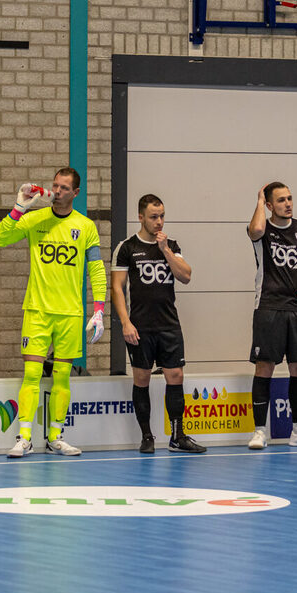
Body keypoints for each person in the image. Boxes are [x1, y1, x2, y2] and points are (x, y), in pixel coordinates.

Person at [0, 167, 107, 458]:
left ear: (76, 193)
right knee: (31, 374)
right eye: (55, 185)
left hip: (70, 313)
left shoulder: (86, 226)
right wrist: (18, 208)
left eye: (64, 188)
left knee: (62, 377)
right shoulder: (36, 218)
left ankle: (56, 437)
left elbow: (96, 269)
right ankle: (25, 438)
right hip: (37, 310)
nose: (57, 191)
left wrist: (99, 310)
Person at [111, 194, 205, 454]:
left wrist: (165, 251)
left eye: (162, 216)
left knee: (176, 376)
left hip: (169, 324)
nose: (159, 221)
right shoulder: (127, 248)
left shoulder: (171, 245)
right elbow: (117, 288)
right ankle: (147, 436)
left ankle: (177, 437)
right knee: (142, 378)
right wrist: (125, 323)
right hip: (140, 326)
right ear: (141, 217)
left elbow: (185, 276)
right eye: (154, 217)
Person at [247, 182, 297, 450]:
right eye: (281, 200)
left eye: (290, 198)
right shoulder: (262, 229)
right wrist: (260, 201)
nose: (288, 203)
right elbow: (256, 230)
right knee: (264, 367)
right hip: (268, 307)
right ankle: (259, 432)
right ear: (270, 205)